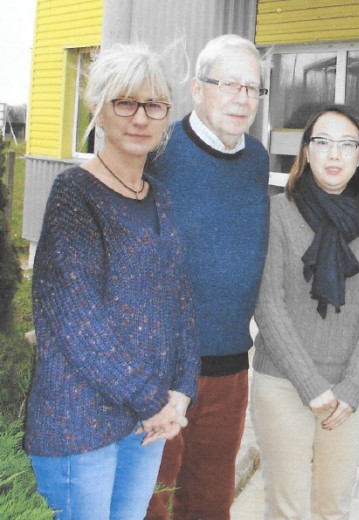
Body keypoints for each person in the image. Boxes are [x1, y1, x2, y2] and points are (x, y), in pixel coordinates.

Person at [24, 43, 199, 520]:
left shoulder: (159, 197)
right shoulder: (73, 196)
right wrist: (154, 401)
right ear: (97, 108)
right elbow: (78, 323)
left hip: (145, 423)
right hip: (80, 425)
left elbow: (179, 302)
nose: (140, 118)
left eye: (154, 105)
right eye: (125, 102)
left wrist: (182, 387)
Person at [145, 34, 270, 520]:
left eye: (253, 89)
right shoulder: (161, 148)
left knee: (211, 500)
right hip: (162, 365)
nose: (242, 99)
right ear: (197, 89)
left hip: (229, 365)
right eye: (230, 85)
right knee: (154, 501)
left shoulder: (257, 159)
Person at [251, 105, 359, 519]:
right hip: (282, 383)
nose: (334, 155)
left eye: (347, 145)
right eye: (323, 143)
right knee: (286, 506)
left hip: (349, 391)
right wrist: (311, 385)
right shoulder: (278, 211)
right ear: (306, 152)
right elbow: (268, 304)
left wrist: (353, 386)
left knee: (334, 507)